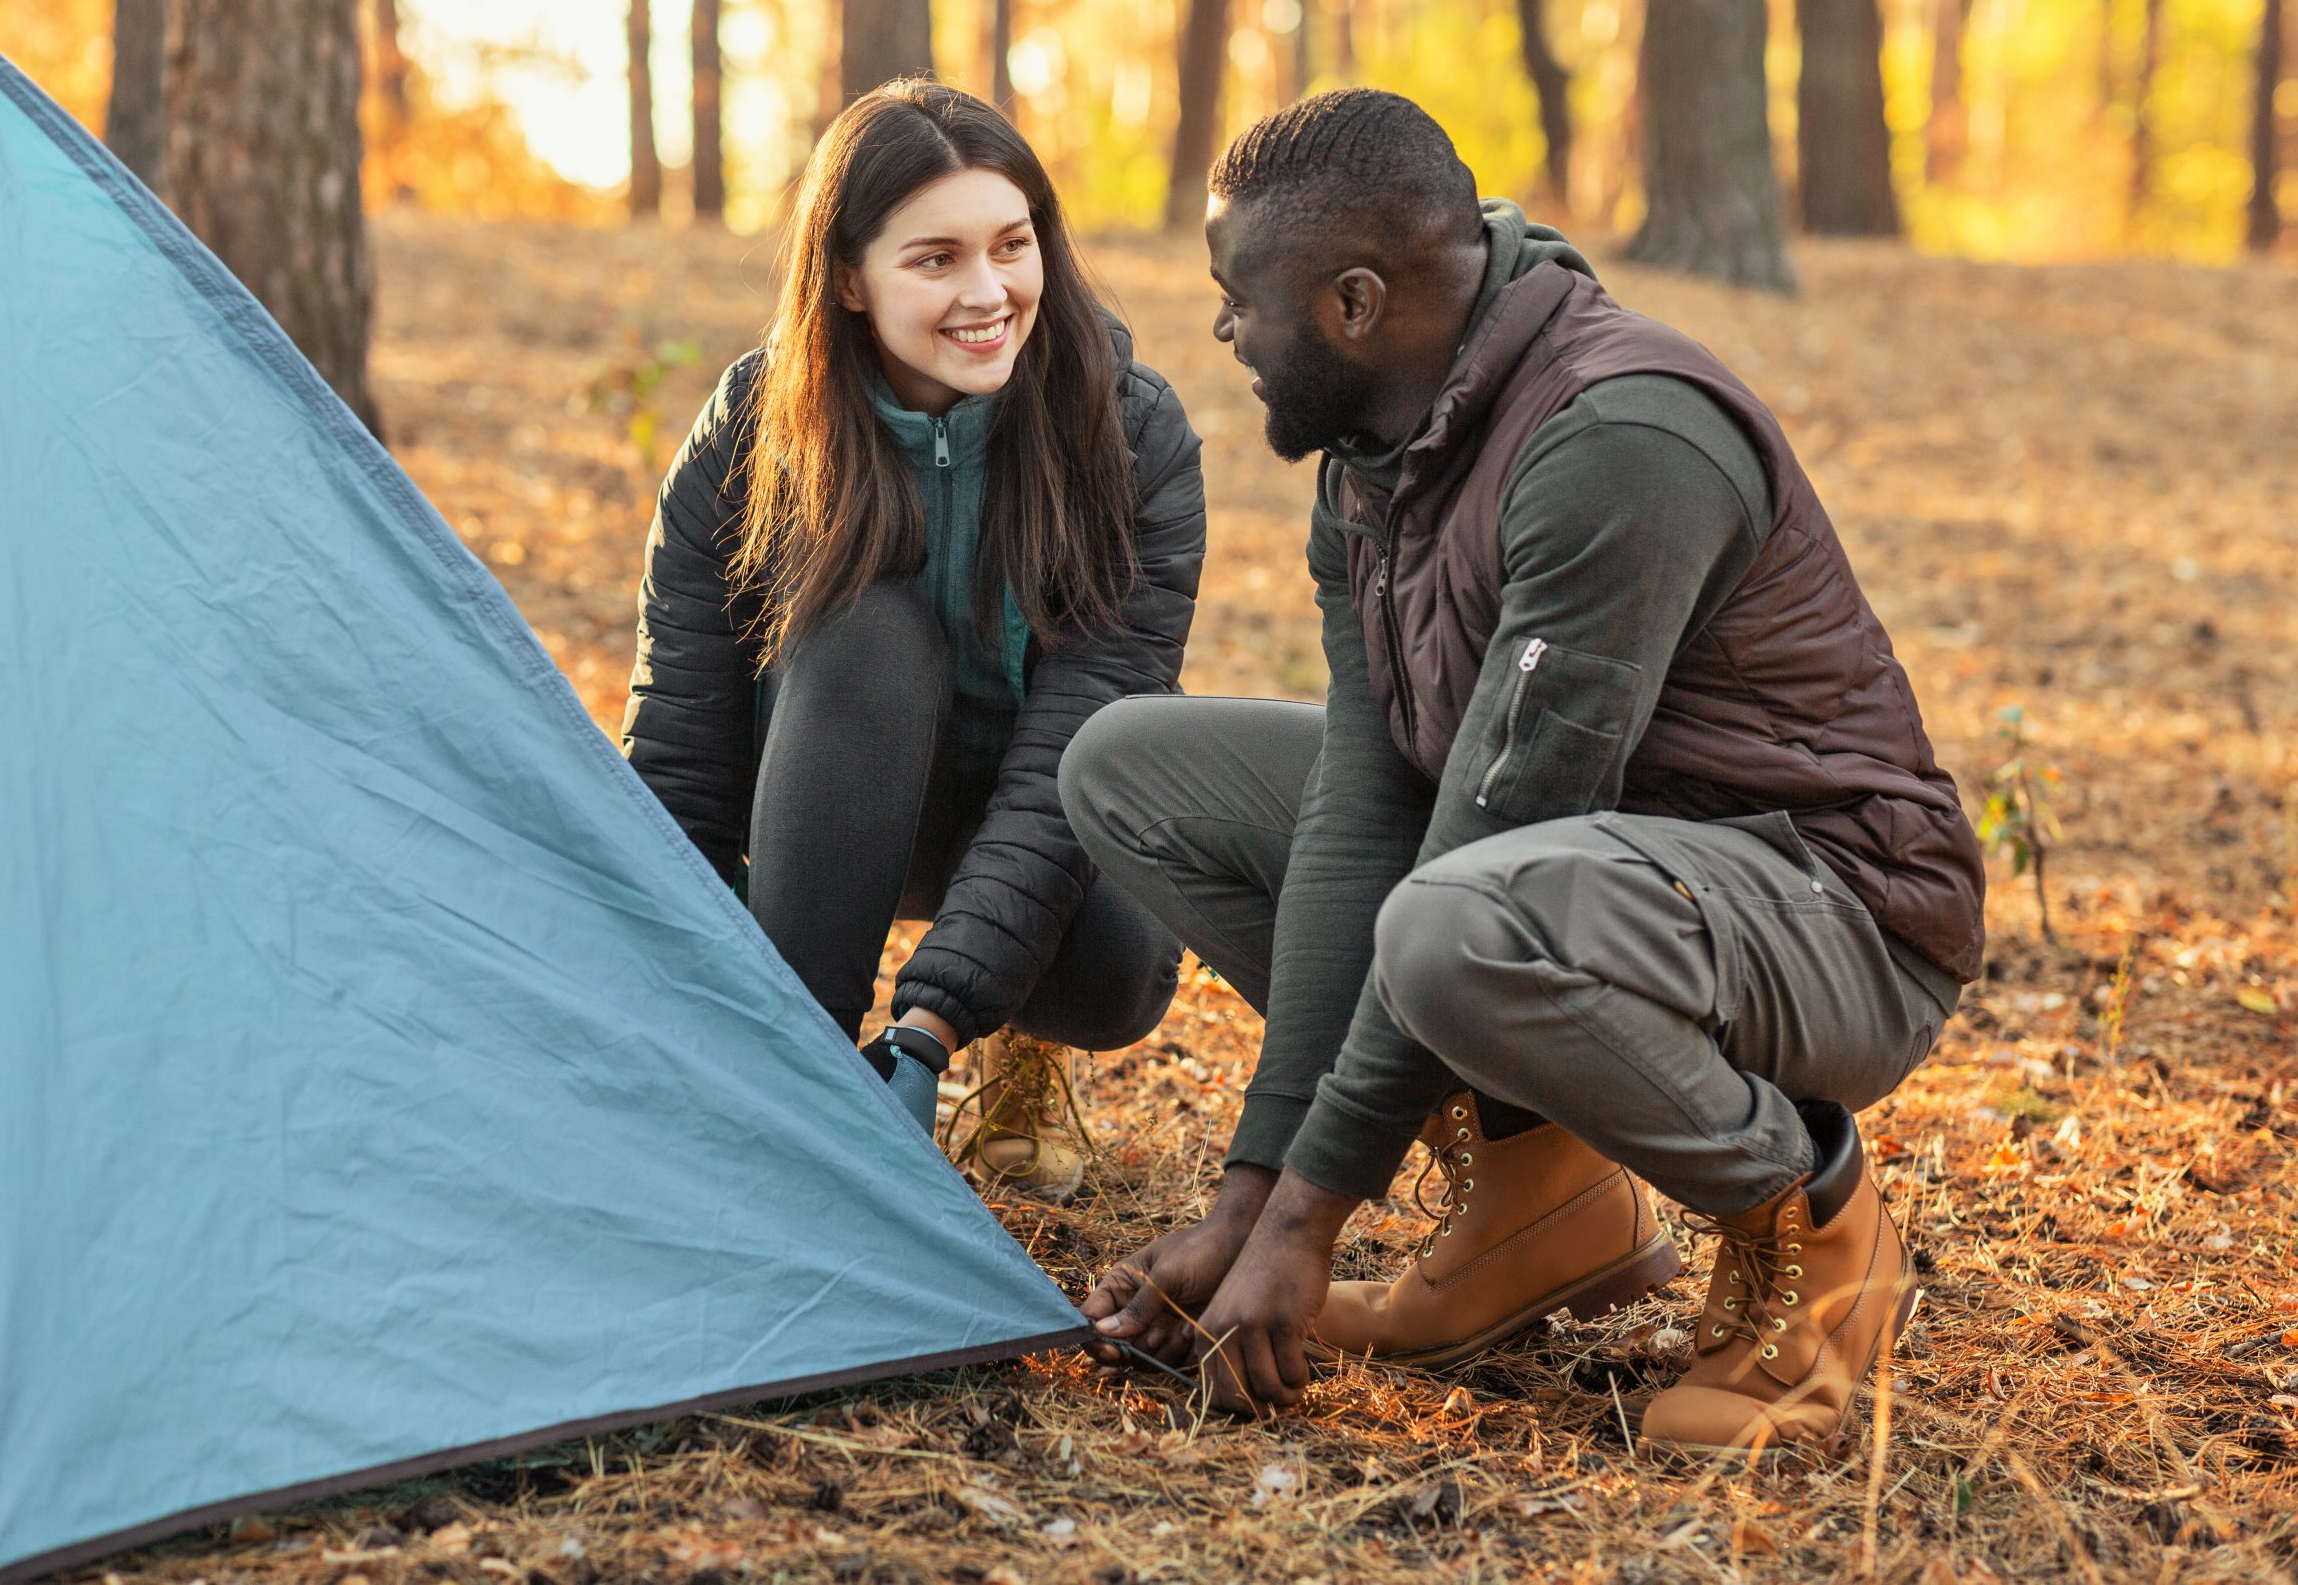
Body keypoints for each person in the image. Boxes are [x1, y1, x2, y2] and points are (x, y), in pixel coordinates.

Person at [1060, 89, 1982, 1455]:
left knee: (1454, 920)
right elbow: (1367, 808)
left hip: (1832, 912)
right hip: (1587, 881)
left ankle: (1818, 1218)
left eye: (1236, 300)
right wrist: (1251, 1200)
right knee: (1133, 767)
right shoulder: (1376, 442)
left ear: (1355, 301)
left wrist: (1312, 1219)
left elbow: (1495, 825)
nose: (1224, 335)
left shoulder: (1621, 439)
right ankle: (1537, 1191)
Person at [621, 79, 1206, 1198]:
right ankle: (799, 1075)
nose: (987, 293)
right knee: (863, 635)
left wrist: (929, 1030)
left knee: (1114, 974)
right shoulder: (749, 437)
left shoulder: (1128, 433)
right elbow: (682, 763)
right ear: (847, 276)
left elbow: (1080, 740)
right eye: (935, 259)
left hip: (1037, 808)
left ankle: (1017, 1048)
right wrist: (695, 1032)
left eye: (1011, 245)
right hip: (822, 796)